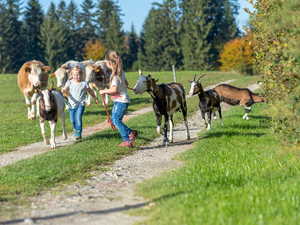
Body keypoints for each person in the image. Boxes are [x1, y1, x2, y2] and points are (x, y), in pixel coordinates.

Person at [100, 50, 138, 147]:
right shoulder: (121, 72)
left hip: (121, 101)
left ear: (109, 63)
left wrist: (104, 91)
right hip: (121, 100)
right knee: (114, 120)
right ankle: (131, 132)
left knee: (117, 121)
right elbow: (126, 84)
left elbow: (114, 89)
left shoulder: (115, 76)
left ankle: (127, 140)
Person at [61, 65, 99, 139]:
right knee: (72, 120)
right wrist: (61, 93)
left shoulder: (84, 83)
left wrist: (95, 98)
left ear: (81, 74)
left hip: (80, 104)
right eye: (74, 75)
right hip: (71, 105)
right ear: (72, 75)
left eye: (78, 75)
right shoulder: (69, 82)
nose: (76, 76)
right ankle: (76, 129)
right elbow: (64, 89)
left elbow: (90, 91)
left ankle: (78, 132)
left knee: (78, 117)